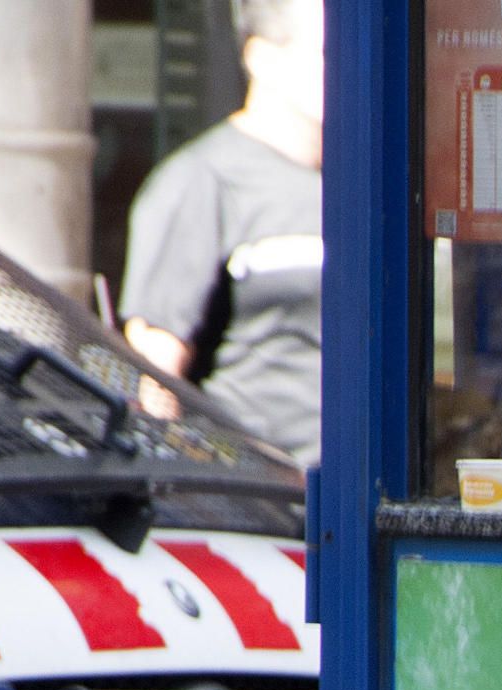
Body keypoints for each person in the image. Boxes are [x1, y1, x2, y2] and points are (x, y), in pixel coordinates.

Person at [121, 0, 325, 469]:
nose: (347, 74)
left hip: (350, 498)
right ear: (261, 58)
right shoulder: (203, 180)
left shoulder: (355, 187)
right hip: (254, 496)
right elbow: (154, 375)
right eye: (326, 55)